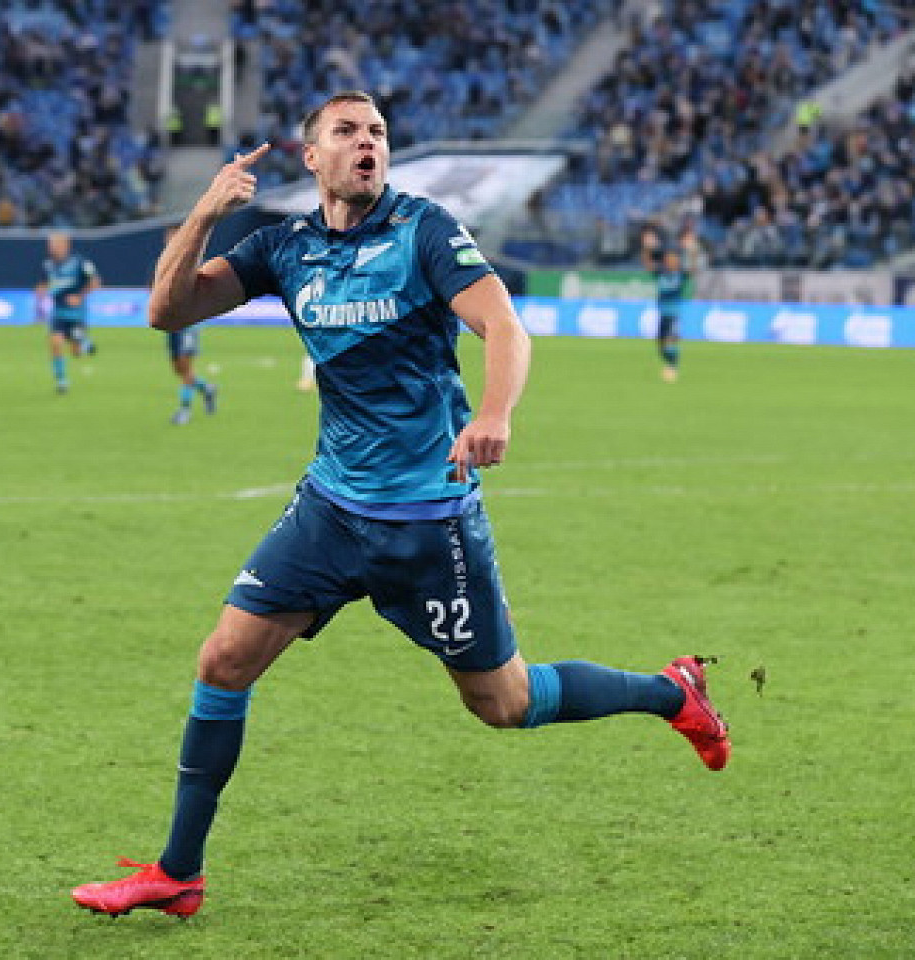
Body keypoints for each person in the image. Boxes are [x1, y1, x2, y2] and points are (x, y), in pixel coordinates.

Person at [71, 91, 730, 919]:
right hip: (329, 512)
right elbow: (166, 312)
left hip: (428, 523)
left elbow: (504, 326)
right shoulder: (283, 247)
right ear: (313, 157)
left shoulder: (423, 231)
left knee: (504, 704)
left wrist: (495, 414)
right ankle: (179, 873)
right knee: (223, 661)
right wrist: (204, 214)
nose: (367, 143)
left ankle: (672, 693)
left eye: (378, 132)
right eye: (347, 132)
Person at [161, 225, 219, 425]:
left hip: (187, 322)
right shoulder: (163, 263)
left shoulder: (191, 261)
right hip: (172, 322)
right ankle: (207, 389)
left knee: (185, 367)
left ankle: (184, 410)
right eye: (168, 238)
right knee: (178, 368)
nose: (170, 242)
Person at [36, 231, 101, 393]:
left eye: (56, 245)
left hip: (76, 313)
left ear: (66, 245)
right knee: (55, 343)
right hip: (58, 313)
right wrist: (40, 293)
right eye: (51, 245)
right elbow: (43, 284)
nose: (52, 248)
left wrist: (79, 296)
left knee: (75, 352)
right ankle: (62, 381)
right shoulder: (47, 265)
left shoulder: (81, 262)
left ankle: (84, 344)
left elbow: (95, 282)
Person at [644, 244, 688, 382]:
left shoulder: (681, 274)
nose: (670, 262)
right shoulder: (661, 273)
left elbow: (693, 268)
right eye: (668, 259)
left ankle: (672, 367)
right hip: (662, 313)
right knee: (661, 346)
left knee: (670, 341)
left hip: (674, 313)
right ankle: (670, 364)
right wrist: (647, 249)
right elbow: (648, 265)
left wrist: (692, 251)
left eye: (672, 259)